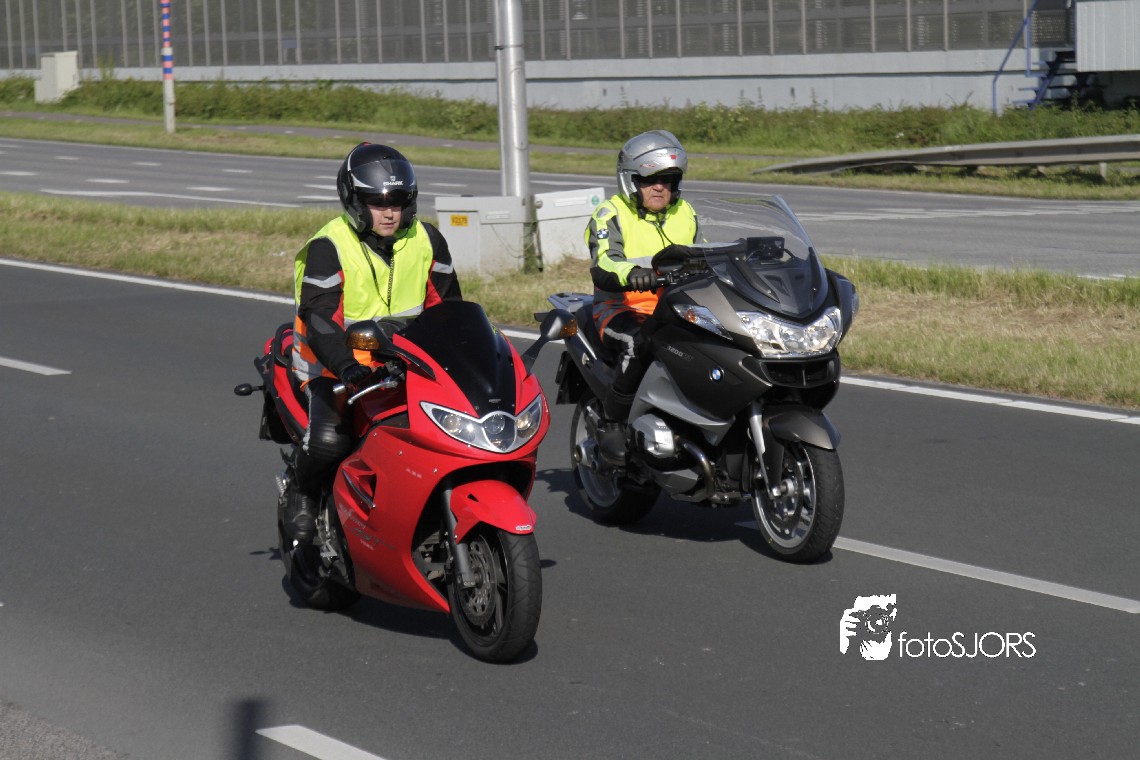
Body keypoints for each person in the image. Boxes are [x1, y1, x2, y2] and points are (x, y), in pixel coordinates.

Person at [285, 142, 462, 541]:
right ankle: (302, 492)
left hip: (405, 362)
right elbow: (320, 320)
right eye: (376, 202)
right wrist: (348, 368)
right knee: (331, 441)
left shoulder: (427, 239)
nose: (389, 212)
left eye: (397, 202)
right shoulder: (329, 246)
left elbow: (450, 308)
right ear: (354, 201)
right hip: (331, 366)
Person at [584, 130, 700, 465]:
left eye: (667, 179)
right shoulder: (610, 213)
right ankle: (614, 423)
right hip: (621, 308)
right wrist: (633, 273)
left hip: (675, 309)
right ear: (631, 181)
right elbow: (604, 261)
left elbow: (705, 254)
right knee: (639, 343)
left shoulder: (686, 212)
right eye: (650, 180)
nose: (659, 187)